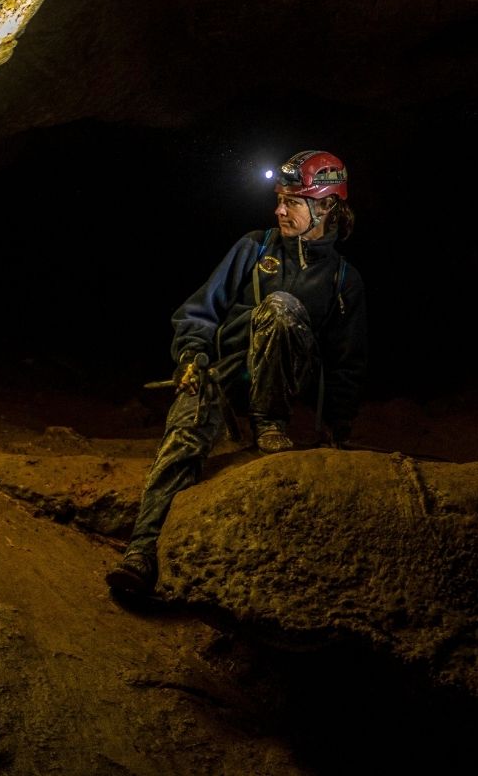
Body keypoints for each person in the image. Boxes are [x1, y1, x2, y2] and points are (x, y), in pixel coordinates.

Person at [106, 150, 368, 597]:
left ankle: (269, 422)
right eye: (279, 198)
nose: (279, 209)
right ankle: (141, 553)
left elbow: (346, 361)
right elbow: (199, 310)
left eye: (293, 201)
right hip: (229, 374)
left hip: (285, 386)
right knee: (183, 436)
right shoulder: (256, 246)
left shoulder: (343, 279)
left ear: (326, 207)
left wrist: (338, 428)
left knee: (282, 310)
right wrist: (191, 358)